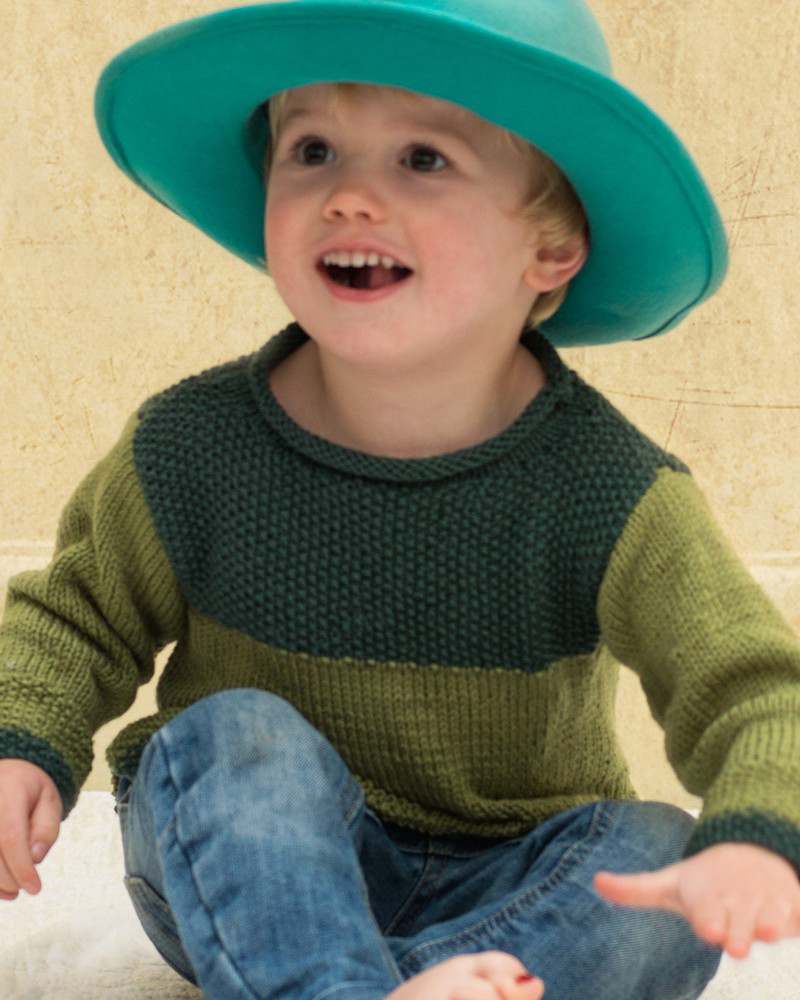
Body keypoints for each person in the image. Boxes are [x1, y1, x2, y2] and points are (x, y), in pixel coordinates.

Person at [1, 1, 799, 998]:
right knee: (230, 735)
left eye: (422, 159)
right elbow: (74, 615)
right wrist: (20, 741)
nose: (348, 197)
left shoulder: (610, 489)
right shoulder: (192, 446)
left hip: (512, 878)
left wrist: (756, 836)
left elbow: (753, 688)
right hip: (249, 871)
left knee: (660, 858)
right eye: (312, 151)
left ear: (551, 248)